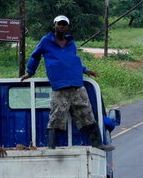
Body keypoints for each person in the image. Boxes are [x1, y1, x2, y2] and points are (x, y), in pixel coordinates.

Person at [20, 15, 115, 151]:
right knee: (56, 116)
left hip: (76, 83)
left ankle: (98, 143)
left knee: (87, 113)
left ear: (68, 27)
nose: (62, 26)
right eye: (60, 24)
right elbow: (35, 56)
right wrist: (30, 72)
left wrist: (85, 70)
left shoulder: (71, 42)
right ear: (55, 25)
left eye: (65, 24)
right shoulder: (46, 41)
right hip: (60, 85)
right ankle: (51, 147)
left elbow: (71, 61)